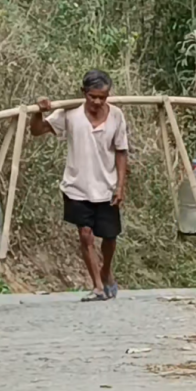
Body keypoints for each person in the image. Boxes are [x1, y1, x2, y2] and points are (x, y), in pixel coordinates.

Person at [30, 70, 129, 302]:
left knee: (110, 238)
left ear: (108, 96)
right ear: (83, 93)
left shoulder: (116, 116)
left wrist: (120, 186)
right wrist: (38, 112)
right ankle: (97, 286)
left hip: (106, 187)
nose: (97, 102)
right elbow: (37, 130)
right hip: (77, 186)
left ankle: (106, 271)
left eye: (102, 97)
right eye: (92, 96)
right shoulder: (70, 114)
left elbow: (122, 152)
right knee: (85, 235)